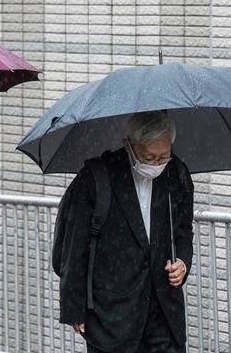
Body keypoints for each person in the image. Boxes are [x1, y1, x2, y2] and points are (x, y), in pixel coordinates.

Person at [58, 110, 194, 353]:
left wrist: (183, 261)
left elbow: (184, 230)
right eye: (149, 157)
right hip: (112, 311)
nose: (157, 164)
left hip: (163, 310)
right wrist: (75, 307)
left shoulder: (177, 173)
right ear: (128, 145)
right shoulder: (97, 177)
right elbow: (74, 244)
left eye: (164, 156)